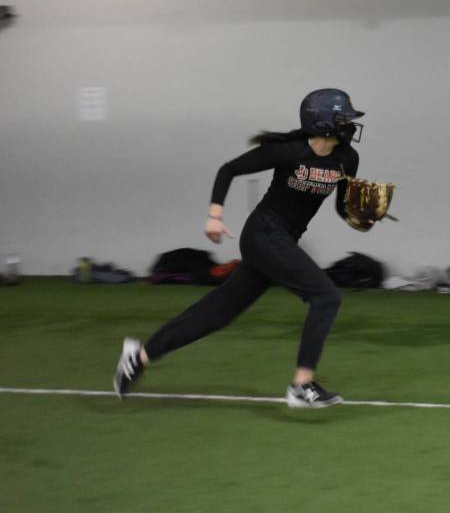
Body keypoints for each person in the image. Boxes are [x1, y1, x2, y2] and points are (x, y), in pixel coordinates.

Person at [113, 88, 375, 408]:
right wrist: (214, 216)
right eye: (343, 119)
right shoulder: (288, 151)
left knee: (217, 313)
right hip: (262, 233)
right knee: (327, 296)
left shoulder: (347, 159)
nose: (350, 124)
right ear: (322, 123)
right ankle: (301, 385)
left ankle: (138, 357)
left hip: (282, 241)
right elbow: (229, 170)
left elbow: (342, 208)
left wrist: (363, 215)